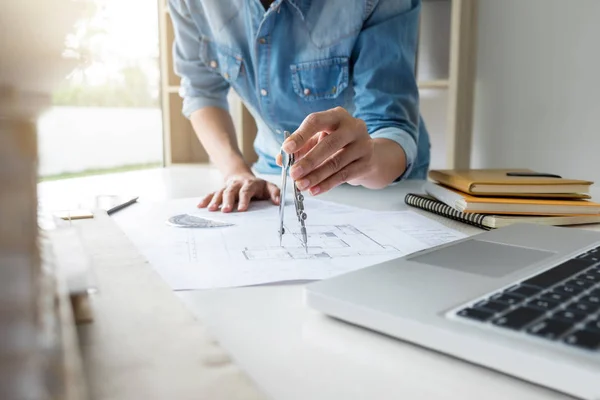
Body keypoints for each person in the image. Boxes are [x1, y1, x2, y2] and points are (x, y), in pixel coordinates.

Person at [168, 0, 431, 212]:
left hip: (383, 179)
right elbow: (202, 91)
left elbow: (391, 124)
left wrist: (368, 156)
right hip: (275, 177)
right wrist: (236, 172)